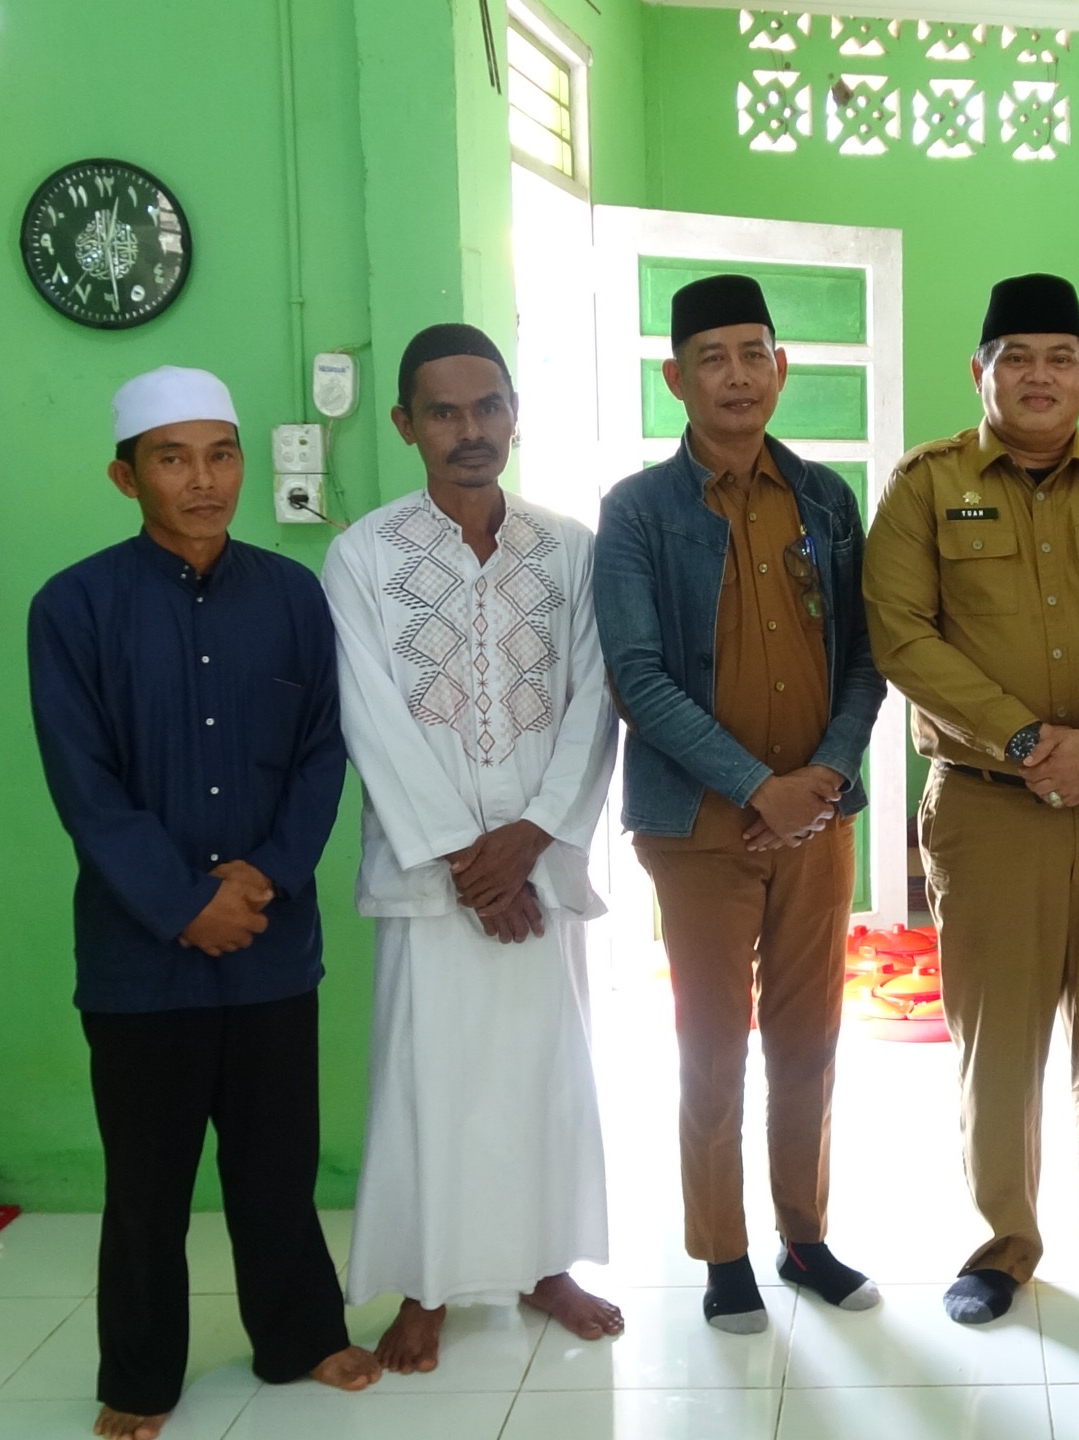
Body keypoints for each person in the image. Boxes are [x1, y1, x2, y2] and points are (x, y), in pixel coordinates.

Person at [29, 367, 382, 1440]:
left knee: (277, 1165)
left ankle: (301, 1335)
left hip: (271, 939)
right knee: (148, 1185)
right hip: (142, 956)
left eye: (220, 454)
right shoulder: (74, 608)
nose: (203, 480)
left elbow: (323, 752)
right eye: (173, 458)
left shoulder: (293, 597)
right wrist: (186, 903)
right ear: (125, 477)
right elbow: (85, 784)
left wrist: (263, 876)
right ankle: (139, 1380)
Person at [864, 274, 1079, 1326]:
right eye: (1016, 356)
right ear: (980, 371)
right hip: (988, 809)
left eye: (1060, 357)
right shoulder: (924, 485)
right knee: (998, 1048)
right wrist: (1024, 742)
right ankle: (1002, 1247)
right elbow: (901, 636)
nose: (1039, 376)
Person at [327, 323, 624, 1373]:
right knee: (430, 1083)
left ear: (514, 415)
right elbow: (370, 716)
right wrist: (468, 862)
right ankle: (427, 1286)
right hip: (435, 879)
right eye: (444, 412)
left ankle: (545, 1266)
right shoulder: (364, 555)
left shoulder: (570, 548)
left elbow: (597, 698)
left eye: (487, 406)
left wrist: (531, 839)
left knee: (547, 1074)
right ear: (405, 425)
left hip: (539, 866)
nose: (470, 430)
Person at [593, 275, 888, 1333]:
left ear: (780, 368)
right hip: (697, 828)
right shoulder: (638, 511)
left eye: (752, 354)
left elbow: (867, 660)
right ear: (676, 379)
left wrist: (825, 777)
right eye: (710, 358)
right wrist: (758, 785)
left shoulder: (827, 500)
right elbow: (636, 675)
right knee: (712, 1046)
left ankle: (804, 1237)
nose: (735, 376)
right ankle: (722, 1251)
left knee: (810, 1039)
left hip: (817, 821)